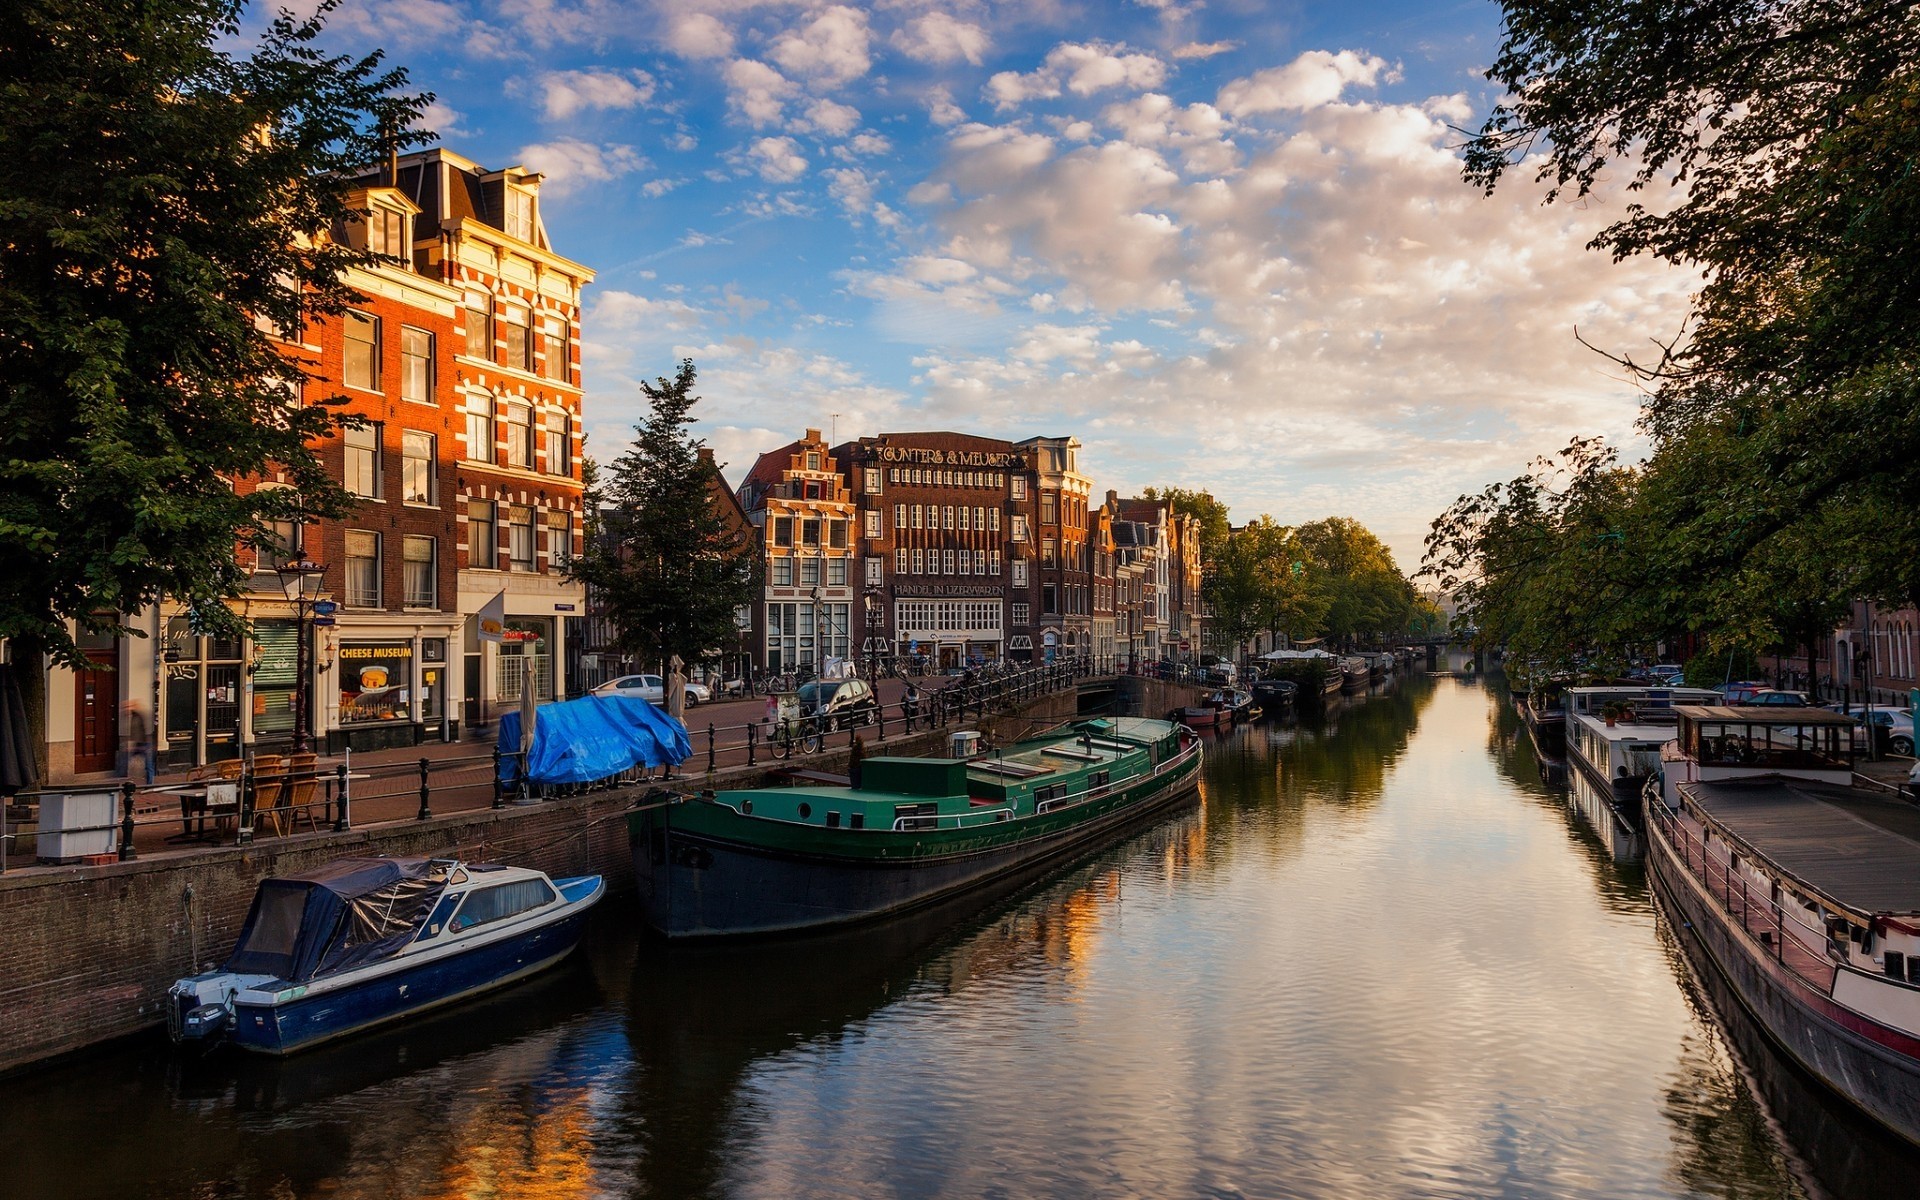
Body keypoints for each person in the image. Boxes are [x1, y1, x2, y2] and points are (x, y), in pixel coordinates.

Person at [123, 700, 154, 786]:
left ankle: (149, 784)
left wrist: (133, 745)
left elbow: (138, 732)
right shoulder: (134, 716)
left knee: (148, 765)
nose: (125, 710)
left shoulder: (137, 717)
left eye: (127, 707)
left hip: (143, 743)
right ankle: (144, 782)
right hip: (140, 743)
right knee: (131, 761)